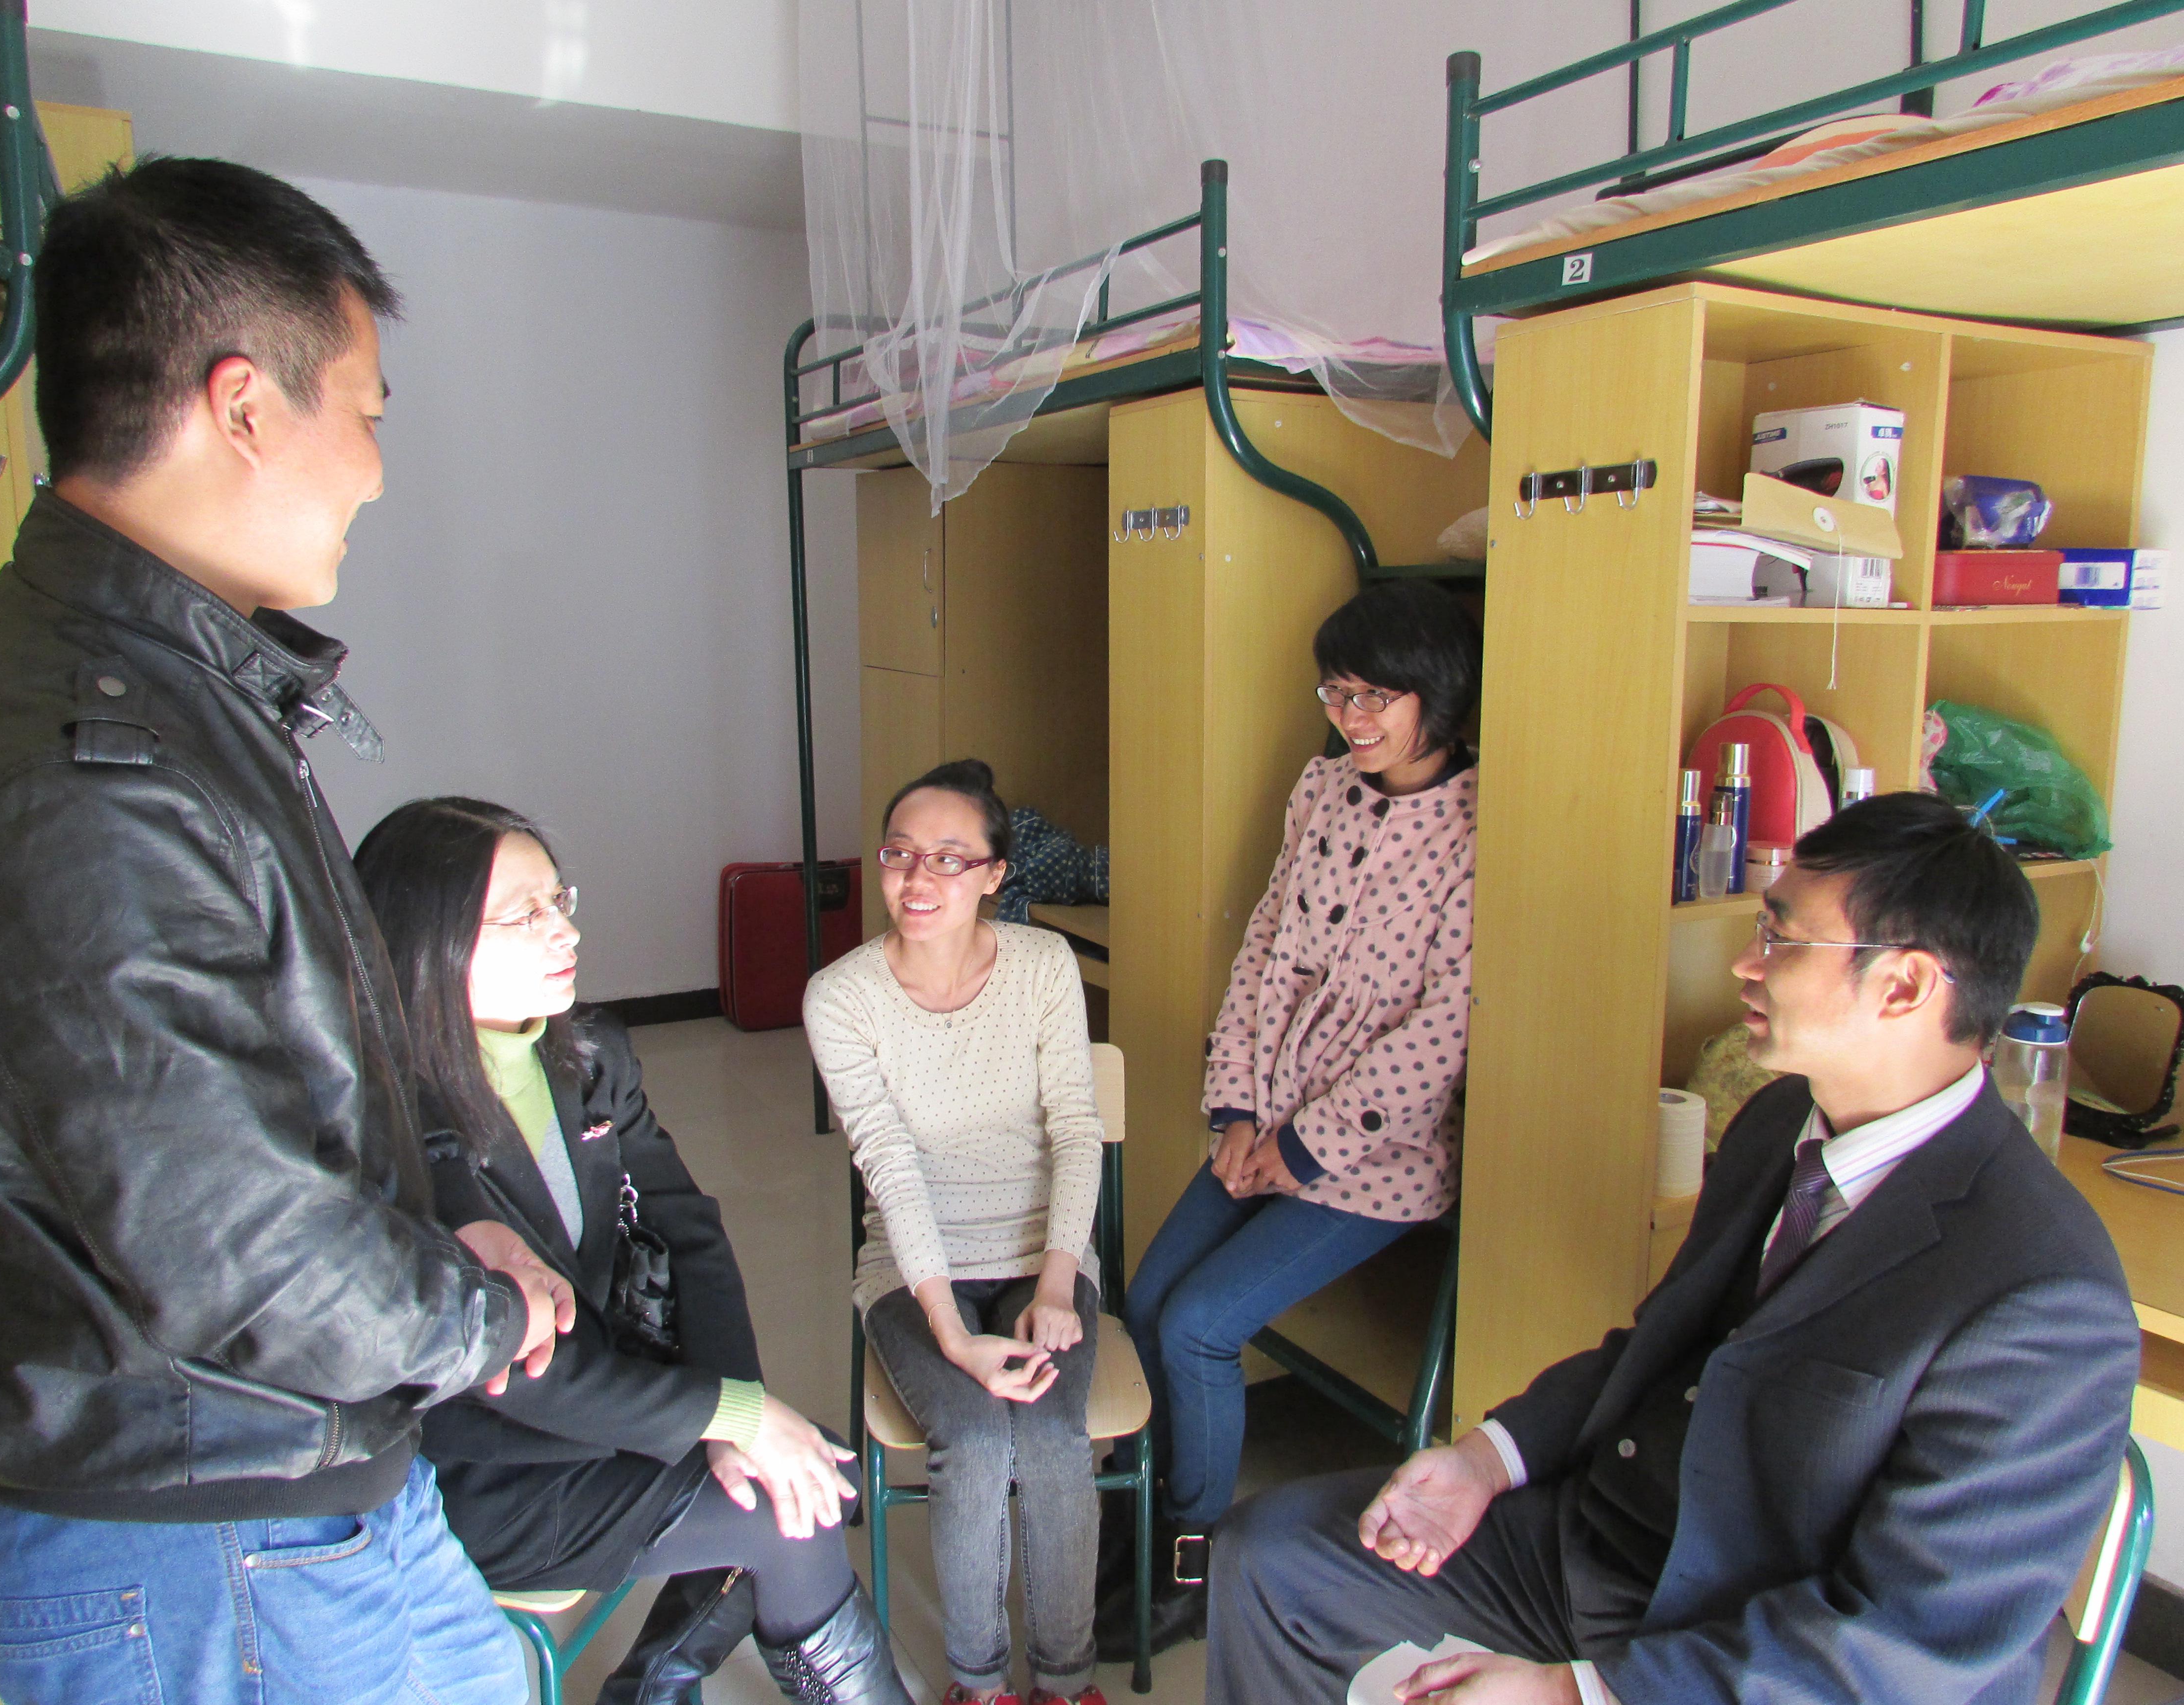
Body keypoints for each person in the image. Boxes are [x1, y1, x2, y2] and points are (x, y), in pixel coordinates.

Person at [0, 159, 577, 1704]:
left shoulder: (167, 694)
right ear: (245, 408)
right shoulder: (90, 770)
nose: (379, 472)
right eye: (370, 412)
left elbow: (243, 1124)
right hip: (198, 1549)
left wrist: (433, 1252)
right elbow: (238, 1254)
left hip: (295, 1485)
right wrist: (476, 1314)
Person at [1209, 792, 2141, 1705]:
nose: (1746, 962)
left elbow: (1909, 1648)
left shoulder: (2042, 1296)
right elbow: (1659, 1348)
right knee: (1272, 1558)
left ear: (1904, 987)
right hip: (1612, 1546)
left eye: (1782, 938)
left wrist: (1576, 1696)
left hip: (1765, 1644)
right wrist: (1485, 1461)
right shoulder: (1779, 1121)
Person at [354, 797, 916, 1705]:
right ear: (429, 945)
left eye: (559, 900)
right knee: (797, 1509)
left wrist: (740, 1412)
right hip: (485, 1467)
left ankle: (652, 1686)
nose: (565, 930)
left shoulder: (590, 1055)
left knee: (815, 1469)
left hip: (605, 1404)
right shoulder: (389, 1121)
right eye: (525, 914)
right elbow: (514, 1370)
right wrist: (731, 1420)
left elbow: (691, 1229)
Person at [1104, 578, 1479, 1657]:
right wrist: (1235, 1110)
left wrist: (1303, 1148)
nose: (1352, 718)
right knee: (1146, 1296)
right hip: (1261, 1120)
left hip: (1376, 1161)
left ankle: (1192, 1562)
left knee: (1197, 1324)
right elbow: (1266, 948)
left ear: (1436, 695)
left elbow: (1442, 1030)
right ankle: (1140, 1515)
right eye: (1337, 693)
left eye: (1376, 698)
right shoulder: (1322, 791)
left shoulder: (1476, 829)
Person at [804, 759, 1108, 1705]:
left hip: (1042, 1254)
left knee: (1052, 1438)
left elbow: (1077, 1131)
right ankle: (979, 1686)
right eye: (899, 854)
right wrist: (950, 1334)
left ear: (994, 874)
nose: (917, 879)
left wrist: (1057, 1284)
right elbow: (889, 1166)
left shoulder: (1043, 965)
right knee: (975, 1441)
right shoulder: (841, 996)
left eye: (948, 858)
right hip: (914, 1270)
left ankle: (1067, 1681)